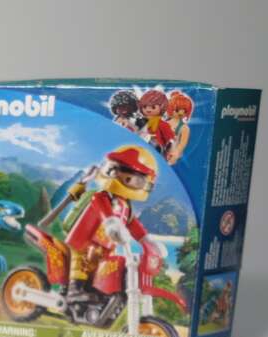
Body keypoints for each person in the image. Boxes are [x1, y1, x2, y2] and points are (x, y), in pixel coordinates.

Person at [63, 145, 166, 301]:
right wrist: (111, 222)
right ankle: (74, 290)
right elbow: (103, 210)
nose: (119, 179)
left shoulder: (126, 206)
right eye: (112, 171)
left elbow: (133, 224)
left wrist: (147, 240)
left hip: (106, 246)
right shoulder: (103, 197)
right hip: (85, 240)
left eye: (130, 179)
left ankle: (97, 290)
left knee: (102, 267)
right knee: (80, 260)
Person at [135, 89, 175, 156]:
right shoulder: (139, 121)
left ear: (162, 107)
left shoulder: (163, 124)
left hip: (156, 152)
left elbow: (169, 138)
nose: (148, 110)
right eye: (145, 107)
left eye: (153, 107)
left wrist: (169, 147)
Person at [166, 91, 193, 164]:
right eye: (177, 110)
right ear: (171, 108)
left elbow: (182, 144)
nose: (181, 113)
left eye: (185, 111)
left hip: (173, 153)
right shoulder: (165, 123)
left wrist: (176, 153)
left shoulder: (184, 128)